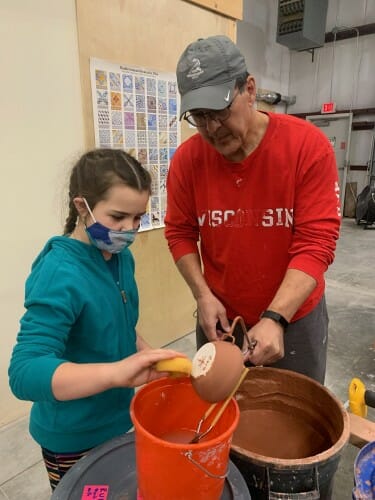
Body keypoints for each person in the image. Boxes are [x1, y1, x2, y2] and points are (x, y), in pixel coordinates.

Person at [164, 35, 341, 384]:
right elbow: (180, 232)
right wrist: (203, 295)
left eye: (220, 111)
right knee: (224, 416)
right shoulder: (188, 160)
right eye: (199, 117)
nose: (212, 128)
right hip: (222, 320)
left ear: (249, 89)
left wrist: (276, 317)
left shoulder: (306, 147)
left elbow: (316, 243)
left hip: (294, 319)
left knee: (295, 422)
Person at [8, 148, 184, 490]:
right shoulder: (59, 273)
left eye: (137, 218)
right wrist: (116, 373)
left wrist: (148, 354)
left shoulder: (120, 258)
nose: (129, 230)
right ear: (81, 207)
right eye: (118, 217)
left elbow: (118, 323)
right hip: (73, 437)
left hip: (116, 420)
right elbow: (24, 372)